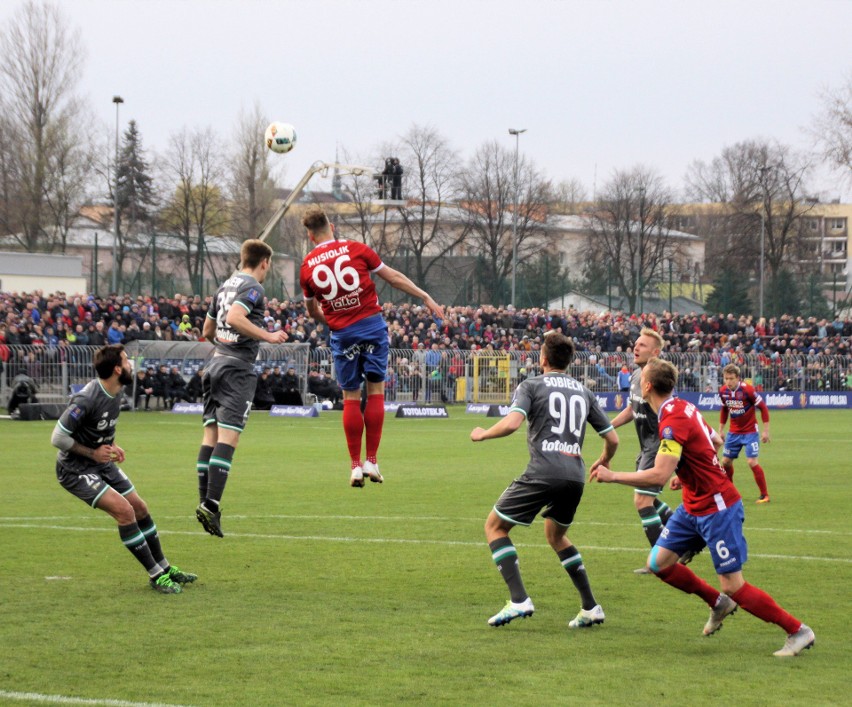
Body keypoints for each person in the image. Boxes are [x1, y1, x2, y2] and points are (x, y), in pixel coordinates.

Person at [590, 358, 814, 657]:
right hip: (693, 505)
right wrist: (688, 475)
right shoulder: (683, 406)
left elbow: (658, 474)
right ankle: (718, 602)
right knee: (659, 563)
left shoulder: (671, 419)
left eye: (640, 378)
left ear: (646, 386)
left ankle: (797, 630)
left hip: (717, 507)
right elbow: (716, 440)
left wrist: (612, 474)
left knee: (733, 584)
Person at [471, 332, 619, 629]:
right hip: (575, 476)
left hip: (543, 471)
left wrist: (483, 433)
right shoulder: (583, 391)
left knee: (495, 526)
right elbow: (612, 438)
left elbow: (513, 423)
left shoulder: (532, 385)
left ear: (543, 359)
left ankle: (518, 599)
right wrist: (604, 460)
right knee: (556, 535)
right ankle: (591, 607)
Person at [299, 205, 444, 487]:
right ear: (332, 226)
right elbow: (393, 277)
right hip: (371, 326)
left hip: (343, 334)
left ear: (310, 236)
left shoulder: (308, 267)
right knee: (376, 390)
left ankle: (354, 466)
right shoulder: (356, 248)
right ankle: (372, 461)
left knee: (351, 396)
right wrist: (424, 295)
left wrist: (332, 319)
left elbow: (311, 310)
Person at [50, 344, 196, 594]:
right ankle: (155, 575)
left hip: (101, 463)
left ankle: (164, 566)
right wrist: (93, 452)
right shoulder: (86, 399)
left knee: (140, 507)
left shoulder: (116, 391)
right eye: (127, 361)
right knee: (125, 512)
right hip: (75, 469)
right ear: (117, 369)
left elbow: (99, 429)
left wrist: (112, 445)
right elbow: (58, 437)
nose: (131, 365)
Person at [195, 239, 287, 537]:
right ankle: (211, 504)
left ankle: (204, 503)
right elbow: (235, 317)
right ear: (265, 263)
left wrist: (224, 347)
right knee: (228, 438)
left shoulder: (223, 286)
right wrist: (268, 336)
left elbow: (208, 331)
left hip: (214, 363)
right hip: (236, 369)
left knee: (210, 434)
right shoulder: (253, 288)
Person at [591, 328, 691, 574]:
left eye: (642, 345)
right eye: (635, 344)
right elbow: (631, 409)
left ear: (656, 352)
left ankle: (661, 562)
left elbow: (672, 416)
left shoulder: (657, 380)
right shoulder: (637, 375)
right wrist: (607, 426)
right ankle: (686, 540)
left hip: (659, 447)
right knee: (650, 498)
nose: (635, 348)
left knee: (642, 499)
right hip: (645, 446)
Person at [718, 364, 772, 503]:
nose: (728, 382)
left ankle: (764, 495)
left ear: (738, 378)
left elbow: (763, 408)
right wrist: (721, 430)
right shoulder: (723, 391)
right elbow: (724, 410)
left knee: (752, 462)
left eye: (731, 378)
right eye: (726, 378)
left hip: (750, 432)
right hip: (733, 433)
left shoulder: (747, 390)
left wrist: (766, 431)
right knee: (726, 461)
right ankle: (730, 492)